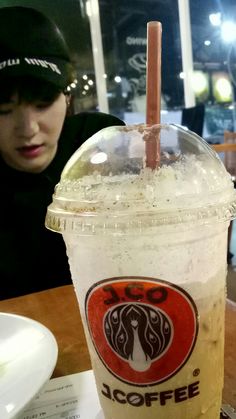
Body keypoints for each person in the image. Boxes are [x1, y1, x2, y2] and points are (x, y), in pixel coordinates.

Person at [0, 6, 125, 300]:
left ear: (67, 99)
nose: (28, 128)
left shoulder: (100, 145)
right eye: (4, 110)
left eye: (42, 104)